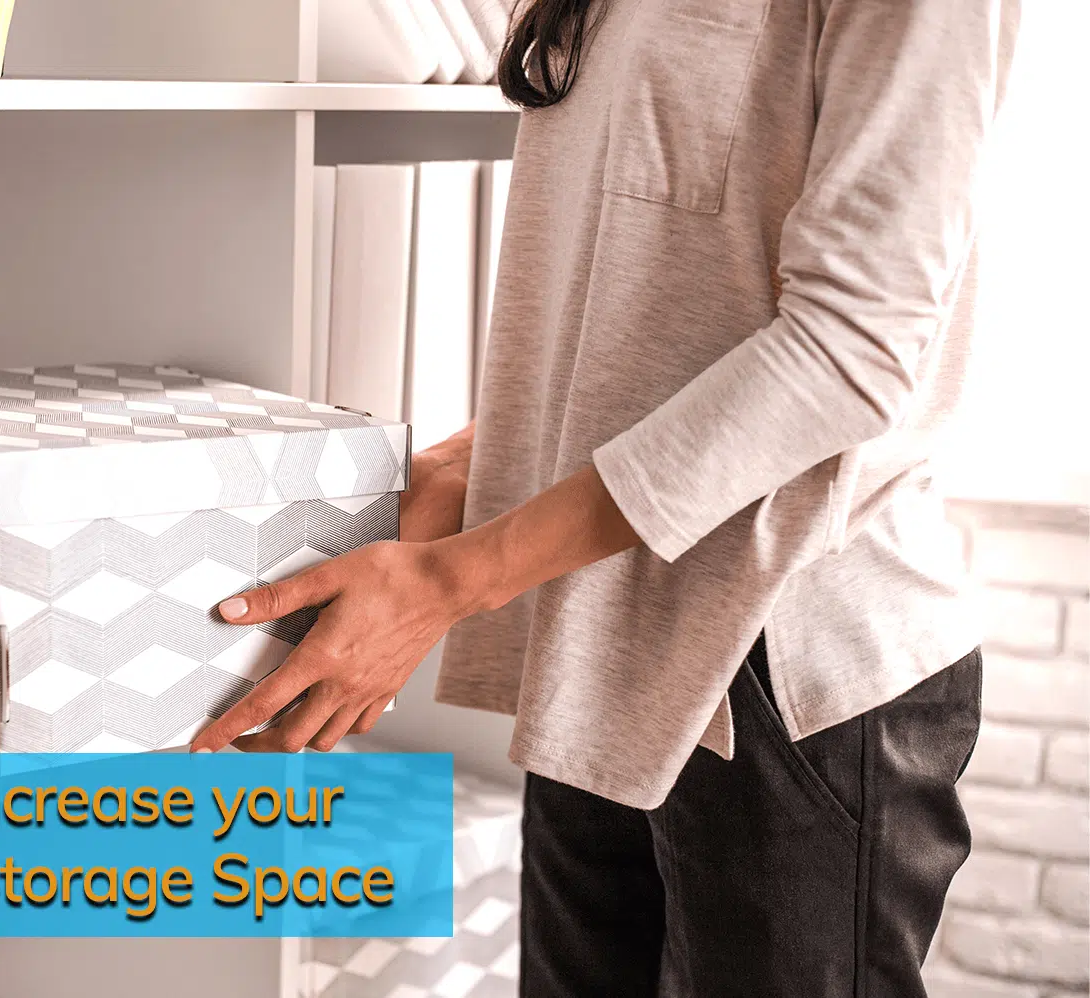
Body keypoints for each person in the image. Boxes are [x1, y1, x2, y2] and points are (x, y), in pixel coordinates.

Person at [191, 0, 1021, 992]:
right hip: (597, 622)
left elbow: (848, 353)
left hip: (779, 667)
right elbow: (659, 288)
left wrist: (452, 580)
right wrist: (468, 470)